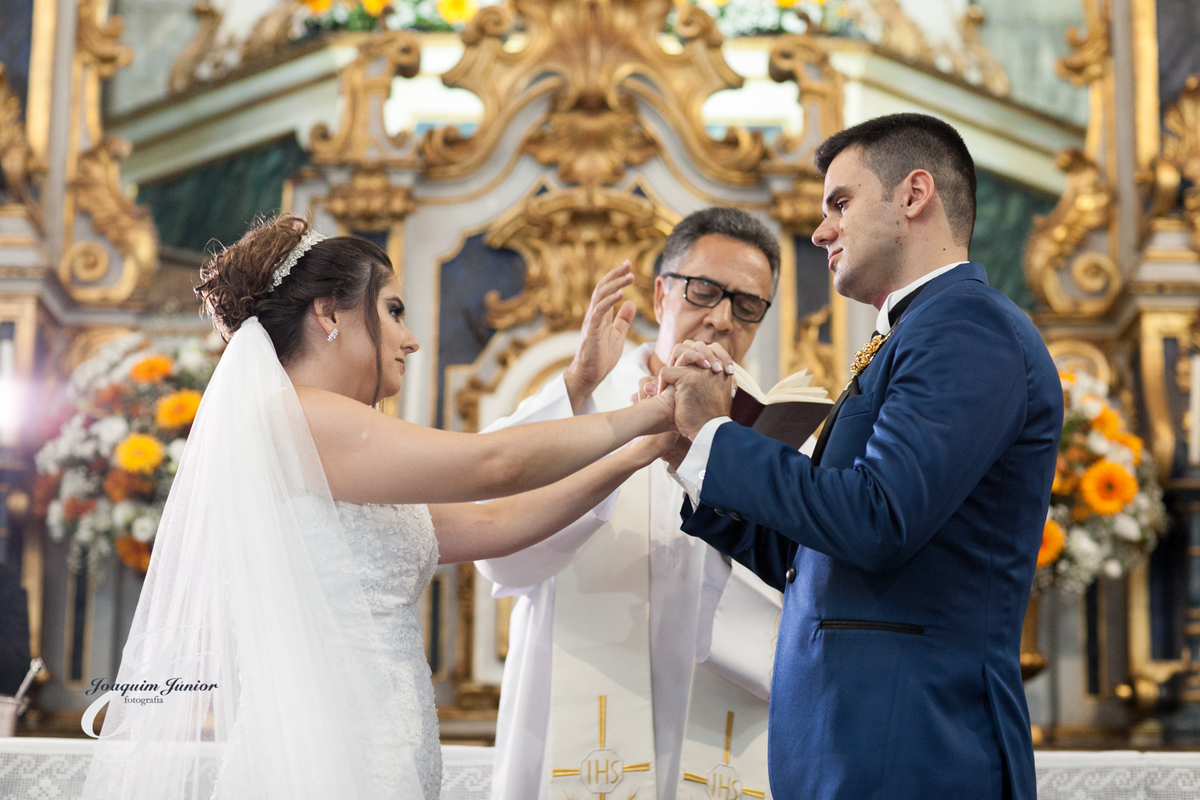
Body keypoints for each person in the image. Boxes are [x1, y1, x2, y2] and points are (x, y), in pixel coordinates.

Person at [80, 213, 678, 800]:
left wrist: (636, 453)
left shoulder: (328, 441)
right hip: (322, 757)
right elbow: (494, 466)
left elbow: (495, 520)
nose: (411, 339)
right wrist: (652, 413)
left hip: (385, 754)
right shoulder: (297, 416)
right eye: (393, 310)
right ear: (328, 312)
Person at [655, 114, 1063, 800]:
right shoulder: (916, 331)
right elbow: (813, 558)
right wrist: (693, 460)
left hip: (916, 745)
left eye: (840, 202)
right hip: (859, 743)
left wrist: (719, 436)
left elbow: (877, 519)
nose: (820, 231)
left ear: (913, 195)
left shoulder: (966, 326)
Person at [479, 208, 789, 800]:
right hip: (579, 727)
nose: (722, 319)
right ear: (660, 293)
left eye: (747, 306)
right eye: (705, 291)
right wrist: (577, 387)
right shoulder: (590, 403)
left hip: (715, 724)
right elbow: (497, 544)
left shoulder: (773, 435)